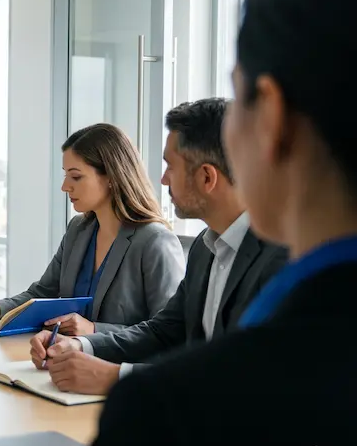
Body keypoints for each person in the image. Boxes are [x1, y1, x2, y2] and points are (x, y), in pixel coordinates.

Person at [46, 0, 357, 446]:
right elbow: (167, 331)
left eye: (237, 95)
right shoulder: (207, 250)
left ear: (273, 118)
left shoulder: (165, 420)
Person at [29, 99, 287, 395]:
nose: (162, 179)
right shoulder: (206, 250)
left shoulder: (280, 259)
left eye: (170, 166)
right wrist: (80, 344)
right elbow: (163, 332)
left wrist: (116, 377)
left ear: (206, 177)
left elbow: (247, 377)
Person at [0, 123, 184, 335]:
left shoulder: (155, 241)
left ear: (111, 177)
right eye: (65, 175)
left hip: (117, 368)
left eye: (76, 176)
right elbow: (43, 293)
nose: (65, 186)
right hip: (63, 360)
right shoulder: (79, 229)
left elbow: (169, 332)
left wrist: (94, 330)